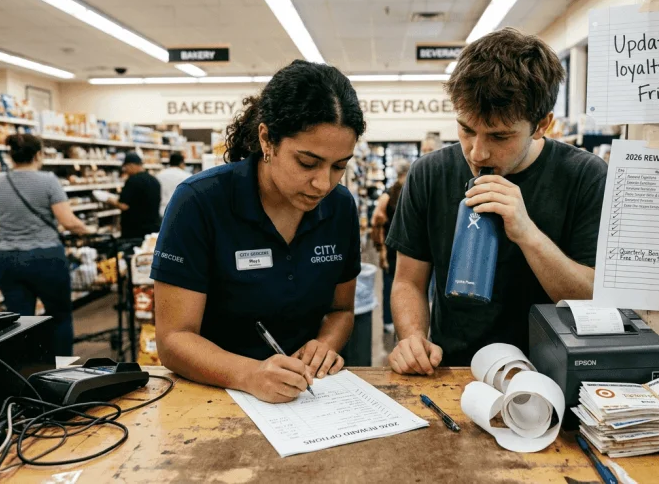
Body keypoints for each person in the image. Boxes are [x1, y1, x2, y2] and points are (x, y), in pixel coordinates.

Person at [386, 28, 607, 374]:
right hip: (450, 372)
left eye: (499, 136)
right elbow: (408, 282)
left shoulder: (585, 176)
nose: (477, 152)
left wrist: (527, 233)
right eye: (466, 129)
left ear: (541, 124)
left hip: (551, 374)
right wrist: (413, 338)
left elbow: (591, 299)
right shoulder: (428, 174)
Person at [150, 60, 366, 403]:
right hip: (215, 396)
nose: (323, 183)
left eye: (339, 166)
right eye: (307, 163)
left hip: (310, 398)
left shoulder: (339, 207)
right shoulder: (199, 202)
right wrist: (248, 374)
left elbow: (341, 311)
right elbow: (174, 338)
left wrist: (324, 346)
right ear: (267, 140)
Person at [0, 134, 91, 356]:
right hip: (45, 258)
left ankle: (25, 372)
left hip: (7, 259)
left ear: (11, 156)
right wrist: (89, 230)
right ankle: (60, 371)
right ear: (38, 154)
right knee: (59, 316)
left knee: (18, 322)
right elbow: (68, 221)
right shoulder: (48, 180)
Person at [370, 161, 410, 334]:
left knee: (401, 286)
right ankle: (390, 320)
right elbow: (377, 224)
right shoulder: (389, 196)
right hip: (397, 248)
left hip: (400, 248)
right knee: (394, 285)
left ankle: (396, 321)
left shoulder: (405, 192)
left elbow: (376, 223)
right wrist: (381, 251)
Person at [104, 152, 161, 239]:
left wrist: (109, 200)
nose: (125, 170)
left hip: (134, 231)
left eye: (125, 167)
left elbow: (124, 206)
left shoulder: (132, 181)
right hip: (153, 228)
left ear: (131, 165)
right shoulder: (154, 180)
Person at [157, 151, 192, 217]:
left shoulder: (159, 175)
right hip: (179, 210)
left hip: (161, 210)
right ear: (181, 163)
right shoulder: (187, 176)